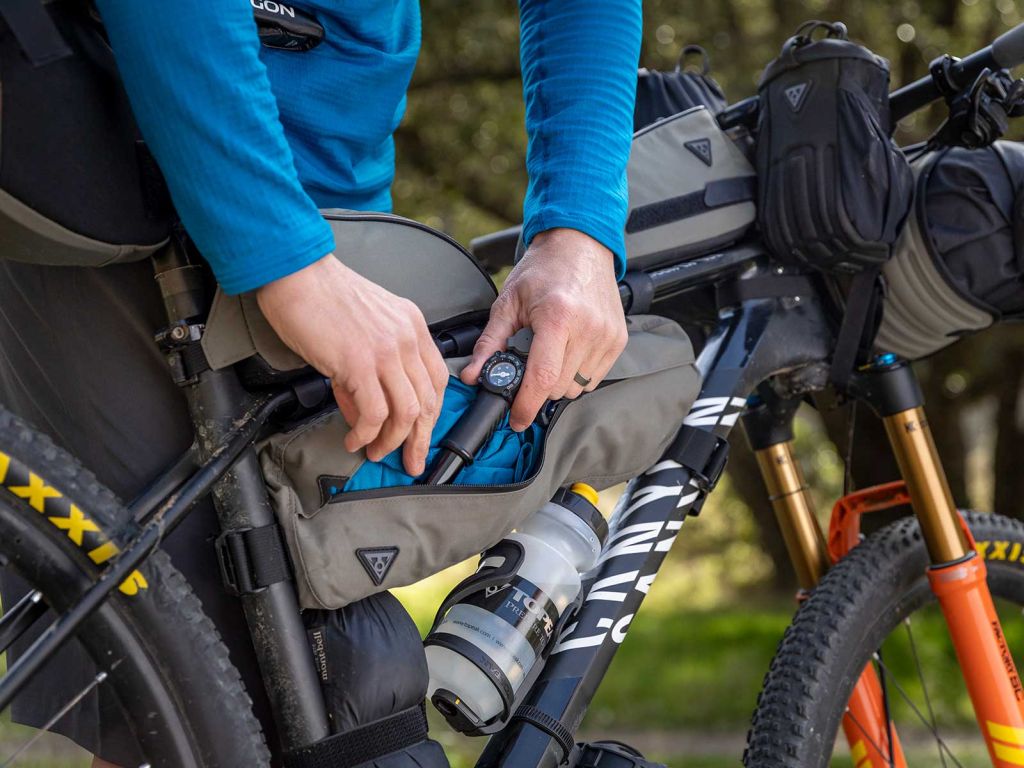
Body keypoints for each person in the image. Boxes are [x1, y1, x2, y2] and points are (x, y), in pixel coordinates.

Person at [0, 0, 641, 765]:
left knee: (224, 704)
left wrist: (578, 227)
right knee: (298, 707)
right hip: (145, 147)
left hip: (322, 198)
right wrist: (285, 260)